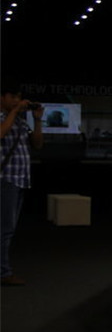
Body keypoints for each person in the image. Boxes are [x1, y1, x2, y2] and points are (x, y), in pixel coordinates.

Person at [1, 79, 44, 286]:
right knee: (4, 229)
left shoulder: (20, 122)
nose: (17, 100)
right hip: (4, 179)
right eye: (12, 96)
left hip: (19, 179)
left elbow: (37, 144)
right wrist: (14, 112)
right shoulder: (7, 118)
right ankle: (3, 272)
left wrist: (37, 121)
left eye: (19, 97)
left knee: (7, 228)